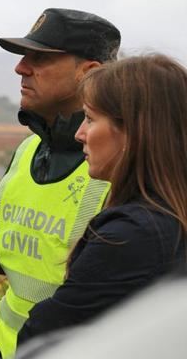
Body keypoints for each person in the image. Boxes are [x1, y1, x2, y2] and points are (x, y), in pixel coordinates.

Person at [15, 54, 187, 351]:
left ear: (135, 132)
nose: (80, 134)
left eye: (91, 118)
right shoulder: (166, 219)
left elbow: (45, 339)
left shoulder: (131, 238)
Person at [0, 8, 121, 358]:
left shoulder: (123, 168)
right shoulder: (28, 151)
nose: (21, 67)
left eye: (40, 57)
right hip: (4, 347)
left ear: (90, 73)